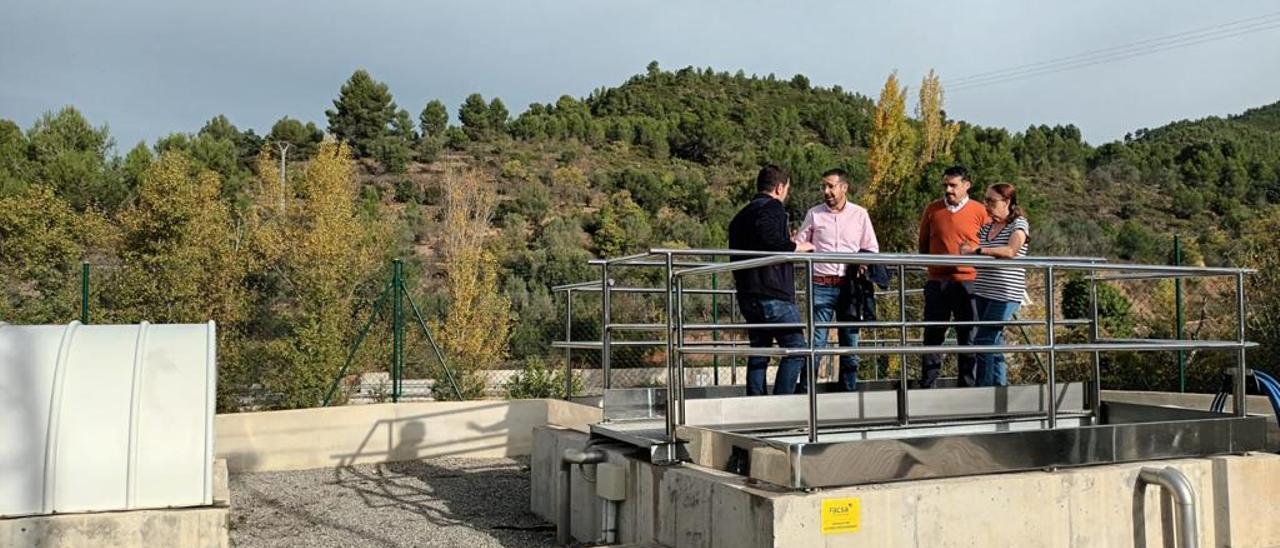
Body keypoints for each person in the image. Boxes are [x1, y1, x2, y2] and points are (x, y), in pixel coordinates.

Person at [728, 165, 815, 395]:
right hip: (773, 292)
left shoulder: (739, 217)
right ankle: (781, 405)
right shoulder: (773, 207)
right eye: (786, 189)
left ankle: (756, 405)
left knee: (760, 349)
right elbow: (769, 240)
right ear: (779, 188)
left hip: (747, 294)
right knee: (796, 348)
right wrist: (797, 246)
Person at [792, 168, 879, 391]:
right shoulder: (814, 214)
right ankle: (806, 392)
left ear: (844, 187)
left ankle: (849, 392)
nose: (826, 191)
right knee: (817, 341)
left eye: (831, 186)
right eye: (824, 186)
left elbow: (871, 248)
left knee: (850, 341)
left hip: (849, 287)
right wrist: (800, 245)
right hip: (821, 284)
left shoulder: (860, 214)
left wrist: (862, 262)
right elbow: (800, 244)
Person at [917, 165, 991, 388]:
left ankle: (967, 389)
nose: (948, 190)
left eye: (953, 185)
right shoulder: (933, 209)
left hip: (968, 282)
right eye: (945, 185)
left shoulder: (979, 211)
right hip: (937, 282)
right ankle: (927, 387)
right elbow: (923, 244)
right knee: (933, 336)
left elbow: (989, 243)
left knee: (968, 337)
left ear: (966, 185)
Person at [960, 183, 1030, 387]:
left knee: (984, 341)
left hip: (1005, 294)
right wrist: (968, 252)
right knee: (994, 343)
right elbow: (976, 255)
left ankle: (984, 392)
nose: (987, 205)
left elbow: (1011, 251)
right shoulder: (988, 227)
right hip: (983, 291)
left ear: (1007, 202)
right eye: (985, 200)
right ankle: (999, 390)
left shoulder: (1018, 224)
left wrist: (979, 251)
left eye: (991, 201)